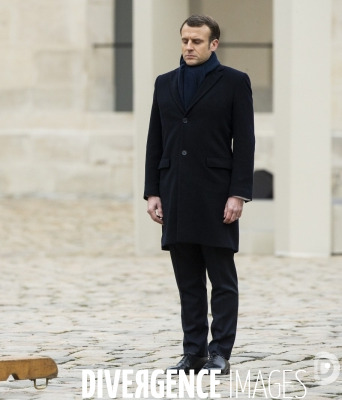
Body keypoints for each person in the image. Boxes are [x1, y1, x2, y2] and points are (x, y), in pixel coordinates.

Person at [143, 14, 255, 375]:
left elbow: (245, 143)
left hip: (216, 195)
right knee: (187, 282)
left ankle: (220, 351)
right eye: (185, 40)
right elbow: (154, 141)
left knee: (222, 279)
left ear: (213, 44)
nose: (189, 46)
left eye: (196, 41)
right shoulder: (164, 84)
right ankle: (193, 353)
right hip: (175, 193)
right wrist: (152, 192)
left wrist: (238, 193)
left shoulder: (235, 82)